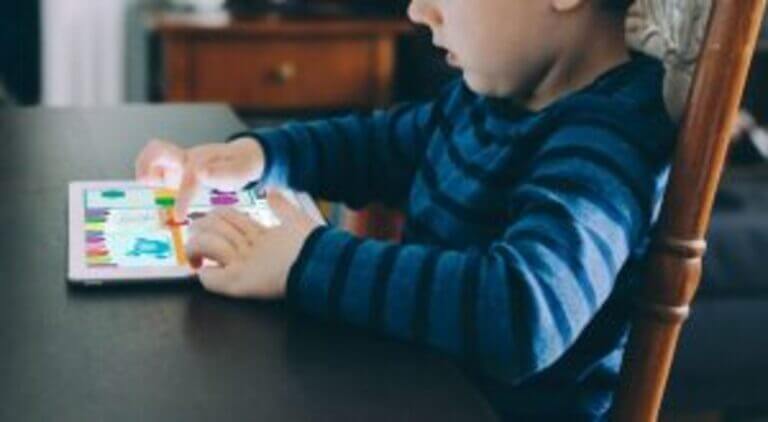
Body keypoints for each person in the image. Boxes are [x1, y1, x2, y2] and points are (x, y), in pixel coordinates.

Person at [134, 0, 678, 419]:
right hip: (415, 385)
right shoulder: (489, 98)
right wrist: (258, 156)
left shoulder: (612, 135)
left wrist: (306, 259)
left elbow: (523, 313)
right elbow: (377, 145)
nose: (419, 11)